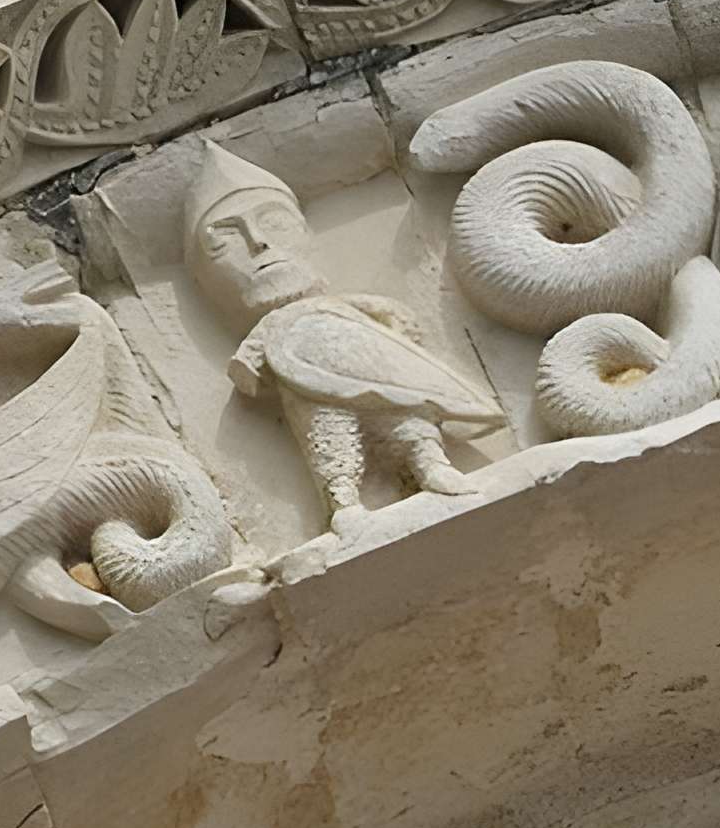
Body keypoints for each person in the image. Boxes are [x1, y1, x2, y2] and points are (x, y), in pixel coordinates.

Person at [184, 145, 501, 536]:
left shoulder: (341, 309)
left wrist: (395, 331)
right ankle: (343, 501)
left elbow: (396, 321)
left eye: (275, 222)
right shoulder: (273, 328)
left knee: (406, 411)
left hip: (374, 368)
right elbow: (247, 372)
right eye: (225, 240)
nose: (258, 243)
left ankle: (432, 465)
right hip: (309, 389)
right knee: (328, 436)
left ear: (306, 232)